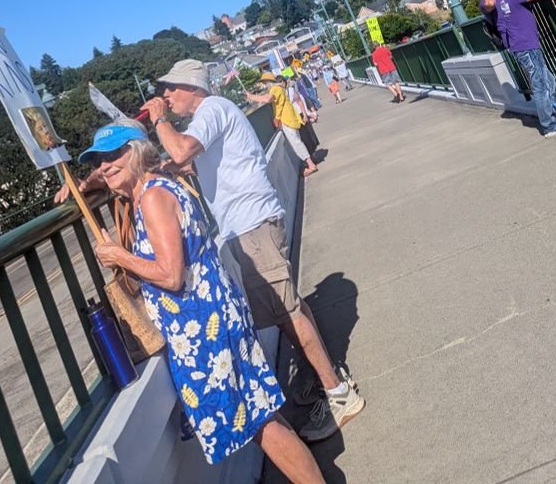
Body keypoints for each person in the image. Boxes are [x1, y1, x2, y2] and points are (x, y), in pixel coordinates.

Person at [87, 120, 325, 482]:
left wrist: (119, 257)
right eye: (97, 161)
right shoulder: (157, 187)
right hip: (212, 316)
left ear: (136, 152)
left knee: (260, 423)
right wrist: (88, 185)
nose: (104, 165)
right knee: (260, 417)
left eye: (113, 155)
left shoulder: (151, 198)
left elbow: (171, 274)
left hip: (205, 328)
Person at [141, 60, 364, 442]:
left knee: (288, 312)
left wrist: (160, 121)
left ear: (193, 87)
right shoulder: (218, 113)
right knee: (286, 310)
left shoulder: (210, 109)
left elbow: (180, 152)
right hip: (253, 224)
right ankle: (321, 375)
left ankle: (339, 395)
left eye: (171, 89)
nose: (165, 96)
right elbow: (203, 163)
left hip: (251, 226)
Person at [483, 0, 556, 138]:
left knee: (548, 78)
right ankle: (548, 124)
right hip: (526, 46)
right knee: (540, 84)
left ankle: (551, 107)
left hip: (523, 46)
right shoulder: (499, 0)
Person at [247, 73, 319, 178]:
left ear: (268, 82)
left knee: (296, 143)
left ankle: (311, 165)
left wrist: (251, 97)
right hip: (290, 117)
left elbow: (267, 99)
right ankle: (310, 163)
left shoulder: (274, 89)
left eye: (264, 83)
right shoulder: (280, 88)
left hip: (287, 119)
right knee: (298, 141)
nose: (264, 85)